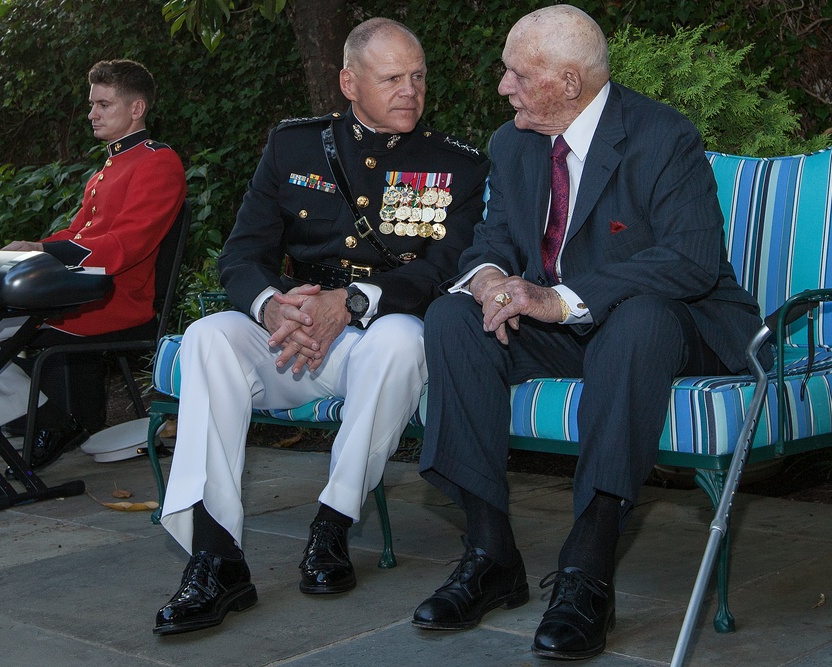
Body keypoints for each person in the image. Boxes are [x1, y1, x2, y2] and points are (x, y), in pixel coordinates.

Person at [411, 6, 763, 661]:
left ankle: (588, 570)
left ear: (567, 83)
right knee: (454, 317)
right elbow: (489, 241)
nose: (502, 87)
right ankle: (491, 555)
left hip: (678, 330)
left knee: (638, 317)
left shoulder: (661, 136)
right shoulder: (512, 143)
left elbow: (691, 259)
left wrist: (558, 298)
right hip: (571, 331)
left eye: (516, 73)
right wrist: (491, 281)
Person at [153, 17, 489, 636]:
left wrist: (355, 303)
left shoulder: (458, 166)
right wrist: (271, 307)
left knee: (402, 339)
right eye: (391, 78)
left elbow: (448, 267)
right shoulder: (294, 147)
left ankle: (332, 527)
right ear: (348, 82)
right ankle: (216, 557)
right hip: (295, 340)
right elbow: (242, 254)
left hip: (375, 340)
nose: (409, 91)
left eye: (417, 77)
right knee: (208, 337)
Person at [0, 59, 186, 468]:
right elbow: (77, 235)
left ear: (136, 109)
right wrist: (33, 249)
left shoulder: (158, 161)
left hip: (114, 301)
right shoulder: (106, 169)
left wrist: (45, 253)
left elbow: (127, 244)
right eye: (91, 104)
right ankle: (42, 421)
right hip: (80, 295)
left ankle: (48, 424)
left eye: (103, 104)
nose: (91, 114)